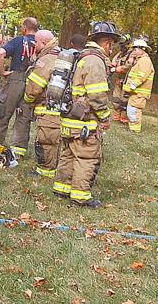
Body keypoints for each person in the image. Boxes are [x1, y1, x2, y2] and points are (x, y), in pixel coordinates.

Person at [52, 21, 120, 208]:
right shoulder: (95, 61)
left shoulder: (81, 56)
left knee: (69, 153)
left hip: (70, 116)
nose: (111, 48)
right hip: (85, 121)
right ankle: (81, 196)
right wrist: (105, 116)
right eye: (111, 44)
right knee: (86, 157)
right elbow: (97, 95)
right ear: (106, 42)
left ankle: (61, 188)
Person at [0, 17, 39, 159]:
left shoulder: (18, 41)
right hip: (34, 84)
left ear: (24, 27)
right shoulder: (41, 43)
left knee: (2, 112)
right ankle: (18, 152)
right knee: (24, 117)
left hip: (16, 79)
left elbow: (0, 53)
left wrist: (2, 72)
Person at [23, 30, 62, 178]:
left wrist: (27, 100)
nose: (35, 45)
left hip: (48, 109)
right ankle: (51, 169)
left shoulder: (46, 59)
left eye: (37, 42)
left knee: (46, 140)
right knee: (53, 140)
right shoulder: (58, 55)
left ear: (44, 43)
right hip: (58, 108)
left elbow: (35, 86)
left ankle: (45, 172)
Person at [123, 39, 154, 133]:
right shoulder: (140, 60)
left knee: (134, 111)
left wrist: (132, 86)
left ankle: (135, 130)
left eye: (135, 49)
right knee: (131, 110)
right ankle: (132, 128)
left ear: (142, 49)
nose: (133, 51)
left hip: (139, 92)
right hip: (136, 92)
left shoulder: (145, 61)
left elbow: (141, 76)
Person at [110, 34, 135, 124]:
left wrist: (117, 69)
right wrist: (112, 65)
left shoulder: (132, 54)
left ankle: (123, 118)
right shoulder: (121, 53)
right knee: (116, 99)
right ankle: (116, 117)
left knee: (125, 100)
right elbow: (114, 60)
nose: (122, 47)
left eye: (123, 44)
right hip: (119, 80)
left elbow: (128, 66)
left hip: (127, 80)